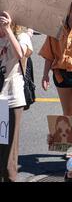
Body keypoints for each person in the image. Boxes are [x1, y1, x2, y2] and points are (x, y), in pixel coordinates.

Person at [0, 13, 33, 182]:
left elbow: (20, 54)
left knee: (7, 155)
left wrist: (7, 30)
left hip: (10, 99)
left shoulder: (21, 35)